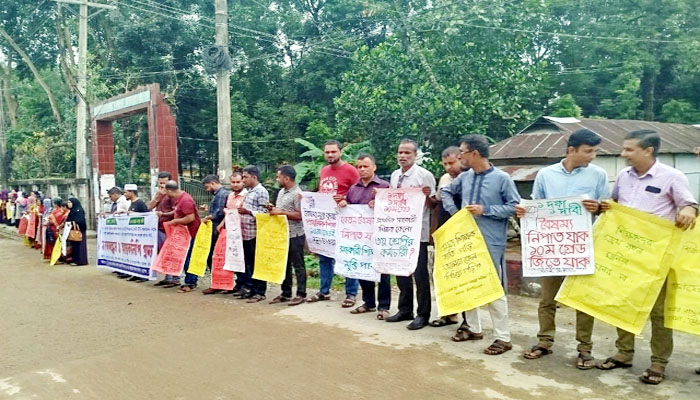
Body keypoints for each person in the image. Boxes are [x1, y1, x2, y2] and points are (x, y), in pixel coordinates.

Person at [595, 130, 698, 385]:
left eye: (629, 149)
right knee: (621, 303)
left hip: (658, 257)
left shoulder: (673, 176)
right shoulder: (623, 176)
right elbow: (616, 201)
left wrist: (687, 210)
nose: (623, 154)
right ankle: (624, 353)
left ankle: (658, 363)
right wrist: (605, 205)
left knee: (659, 313)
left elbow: (690, 205)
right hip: (625, 253)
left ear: (648, 150)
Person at [514, 129, 609, 369]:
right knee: (547, 299)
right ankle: (544, 341)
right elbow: (537, 205)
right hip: (552, 247)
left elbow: (607, 208)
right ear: (571, 150)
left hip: (581, 247)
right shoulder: (546, 175)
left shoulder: (598, 175)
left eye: (595, 151)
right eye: (589, 151)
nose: (593, 156)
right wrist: (525, 211)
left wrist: (597, 207)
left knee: (582, 301)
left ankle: (585, 349)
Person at [441, 134, 521, 355]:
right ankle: (474, 328)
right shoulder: (466, 177)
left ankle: (503, 338)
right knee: (468, 283)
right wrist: (456, 213)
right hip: (466, 239)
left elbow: (515, 207)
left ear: (474, 153)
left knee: (493, 288)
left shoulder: (502, 178)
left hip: (491, 241)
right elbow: (446, 191)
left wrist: (486, 210)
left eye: (462, 153)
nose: (460, 157)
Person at [385, 138, 437, 330]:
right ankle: (404, 309)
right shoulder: (394, 175)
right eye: (400, 152)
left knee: (420, 274)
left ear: (416, 155)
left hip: (418, 232)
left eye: (407, 153)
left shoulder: (425, 175)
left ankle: (423, 314)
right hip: (399, 231)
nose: (403, 156)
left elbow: (433, 205)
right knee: (400, 271)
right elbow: (392, 200)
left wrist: (426, 195)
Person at [307, 140, 361, 308]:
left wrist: (346, 200)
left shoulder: (351, 171)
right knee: (325, 257)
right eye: (327, 152)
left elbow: (358, 193)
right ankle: (324, 291)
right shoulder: (323, 171)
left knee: (347, 255)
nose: (330, 155)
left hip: (345, 221)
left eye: (333, 152)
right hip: (326, 222)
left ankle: (351, 293)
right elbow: (323, 193)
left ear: (340, 152)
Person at [338, 154, 391, 319]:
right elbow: (349, 210)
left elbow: (393, 209)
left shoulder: (384, 186)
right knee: (362, 268)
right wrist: (343, 204)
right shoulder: (353, 188)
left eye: (365, 166)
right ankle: (368, 303)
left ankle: (384, 306)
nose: (362, 169)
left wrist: (380, 203)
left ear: (374, 167)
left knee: (382, 271)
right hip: (360, 238)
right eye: (359, 167)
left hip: (380, 236)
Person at [429, 146, 464, 328]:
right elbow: (437, 205)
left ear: (461, 159)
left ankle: (468, 320)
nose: (449, 167)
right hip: (444, 231)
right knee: (444, 274)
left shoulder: (469, 179)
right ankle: (449, 314)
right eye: (445, 164)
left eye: (452, 162)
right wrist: (434, 231)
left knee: (464, 275)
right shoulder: (444, 179)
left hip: (463, 232)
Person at [268, 165, 306, 306]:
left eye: (278, 177)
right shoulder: (282, 192)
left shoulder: (298, 194)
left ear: (286, 178)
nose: (277, 179)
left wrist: (282, 213)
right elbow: (280, 210)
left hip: (295, 234)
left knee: (298, 265)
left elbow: (301, 215)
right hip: (282, 234)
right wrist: (273, 209)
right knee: (284, 265)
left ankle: (301, 293)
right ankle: (286, 293)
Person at [236, 165, 270, 302]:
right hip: (245, 232)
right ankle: (250, 288)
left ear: (254, 177)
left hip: (255, 233)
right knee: (248, 263)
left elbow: (265, 213)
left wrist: (248, 212)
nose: (243, 180)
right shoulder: (249, 191)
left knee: (257, 263)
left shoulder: (261, 192)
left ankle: (260, 292)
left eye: (245, 177)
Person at [164, 180, 202, 293]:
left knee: (189, 258)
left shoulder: (186, 200)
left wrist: (176, 221)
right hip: (184, 234)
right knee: (185, 257)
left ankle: (191, 282)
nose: (165, 194)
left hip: (191, 233)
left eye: (166, 191)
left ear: (170, 190)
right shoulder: (180, 199)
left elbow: (190, 218)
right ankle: (189, 281)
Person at [217, 171, 248, 295]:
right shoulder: (230, 196)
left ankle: (246, 285)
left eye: (238, 182)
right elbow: (228, 212)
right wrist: (221, 224)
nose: (235, 185)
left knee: (244, 259)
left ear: (243, 182)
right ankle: (239, 283)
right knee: (233, 257)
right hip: (231, 232)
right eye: (233, 182)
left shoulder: (246, 195)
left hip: (243, 231)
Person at [150, 172, 177, 287]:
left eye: (164, 183)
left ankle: (175, 278)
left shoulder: (173, 195)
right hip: (160, 227)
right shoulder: (159, 194)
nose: (162, 185)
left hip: (170, 227)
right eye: (160, 183)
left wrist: (164, 214)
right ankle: (168, 277)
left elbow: (177, 210)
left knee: (172, 253)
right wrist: (157, 197)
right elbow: (149, 207)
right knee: (163, 253)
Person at [201, 174, 229, 271]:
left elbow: (220, 212)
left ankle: (217, 278)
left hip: (217, 227)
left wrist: (209, 217)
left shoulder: (221, 194)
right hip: (216, 225)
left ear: (212, 183)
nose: (207, 190)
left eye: (207, 187)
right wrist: (208, 210)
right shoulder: (218, 194)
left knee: (214, 253)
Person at [64, 197, 88, 266]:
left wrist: (72, 222)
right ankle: (75, 260)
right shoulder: (72, 211)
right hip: (73, 230)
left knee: (80, 246)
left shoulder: (78, 210)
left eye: (69, 202)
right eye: (68, 202)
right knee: (75, 246)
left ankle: (80, 261)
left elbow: (80, 221)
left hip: (79, 231)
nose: (68, 204)